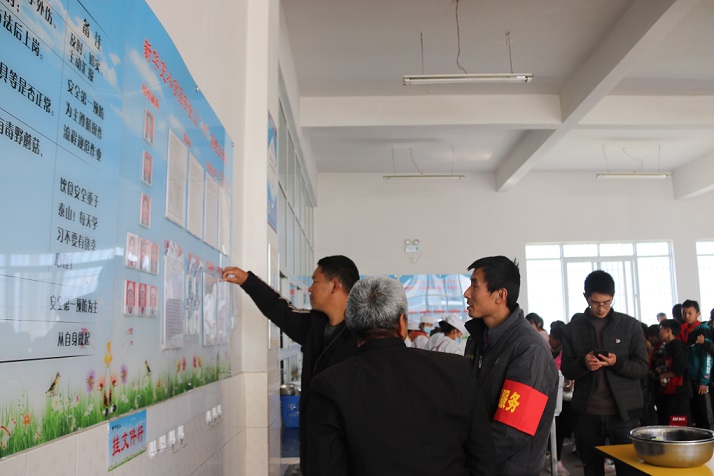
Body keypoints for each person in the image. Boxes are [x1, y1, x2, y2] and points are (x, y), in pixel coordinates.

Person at [307, 276, 496, 476]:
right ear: (402, 324)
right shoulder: (457, 370)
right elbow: (484, 458)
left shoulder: (330, 386)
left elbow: (325, 468)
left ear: (349, 322)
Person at [222, 255, 360, 474]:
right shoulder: (315, 325)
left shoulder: (363, 334)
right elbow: (279, 309)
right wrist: (248, 281)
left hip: (349, 454)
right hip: (316, 449)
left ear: (334, 285)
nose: (309, 289)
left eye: (315, 281)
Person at [463, 256, 559, 476]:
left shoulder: (529, 348)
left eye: (475, 285)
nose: (467, 293)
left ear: (500, 295)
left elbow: (512, 432)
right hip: (481, 463)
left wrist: (463, 458)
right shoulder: (477, 339)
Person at [561, 270, 648, 476]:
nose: (601, 308)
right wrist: (583, 364)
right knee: (592, 470)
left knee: (629, 471)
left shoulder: (630, 326)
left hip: (624, 415)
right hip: (587, 414)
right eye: (595, 303)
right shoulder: (573, 328)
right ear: (586, 298)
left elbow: (642, 367)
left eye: (607, 303)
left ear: (613, 297)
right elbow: (566, 368)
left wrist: (617, 362)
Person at [679, 299, 713, 429]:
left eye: (690, 313)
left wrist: (704, 381)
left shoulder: (703, 329)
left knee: (706, 418)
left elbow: (707, 357)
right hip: (691, 381)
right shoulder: (686, 330)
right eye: (684, 313)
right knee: (697, 417)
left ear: (698, 313)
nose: (686, 316)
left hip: (703, 382)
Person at [654, 319, 691, 426]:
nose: (659, 332)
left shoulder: (678, 346)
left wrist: (663, 375)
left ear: (668, 330)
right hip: (670, 391)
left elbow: (679, 368)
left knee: (677, 424)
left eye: (661, 329)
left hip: (679, 392)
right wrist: (662, 370)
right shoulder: (667, 346)